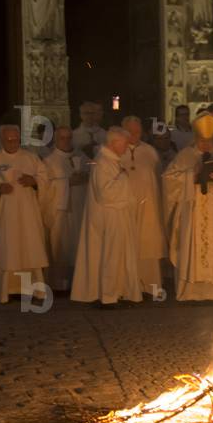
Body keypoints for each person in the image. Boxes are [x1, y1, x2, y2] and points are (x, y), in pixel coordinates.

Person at [163, 113, 213, 302]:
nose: (206, 144)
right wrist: (192, 176)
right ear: (196, 138)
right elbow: (168, 179)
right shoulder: (185, 155)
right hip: (193, 210)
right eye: (202, 140)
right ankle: (190, 293)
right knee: (192, 247)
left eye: (209, 140)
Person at [0, 124, 50, 303]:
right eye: (8, 140)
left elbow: (45, 180)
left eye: (15, 140)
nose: (12, 143)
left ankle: (32, 290)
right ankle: (4, 290)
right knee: (6, 249)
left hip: (28, 214)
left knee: (29, 248)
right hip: (4, 215)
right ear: (1, 140)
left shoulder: (31, 159)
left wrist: (34, 181)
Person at [71, 127, 142, 305]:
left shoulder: (112, 161)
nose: (127, 146)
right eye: (125, 143)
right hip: (110, 216)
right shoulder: (103, 162)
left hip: (117, 214)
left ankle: (119, 290)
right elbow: (105, 194)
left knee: (118, 254)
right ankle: (108, 295)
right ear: (114, 143)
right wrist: (124, 178)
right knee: (111, 254)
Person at [121, 116, 167, 294]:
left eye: (137, 131)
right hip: (126, 207)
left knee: (148, 245)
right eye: (130, 131)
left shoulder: (150, 152)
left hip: (149, 208)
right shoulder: (118, 151)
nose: (134, 135)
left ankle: (149, 287)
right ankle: (128, 288)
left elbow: (158, 178)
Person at [41, 126, 89, 291]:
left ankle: (79, 282)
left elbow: (93, 173)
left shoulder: (81, 157)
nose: (66, 141)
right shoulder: (49, 161)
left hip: (80, 208)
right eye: (62, 138)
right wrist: (67, 183)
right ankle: (59, 285)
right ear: (56, 140)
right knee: (60, 246)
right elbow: (45, 186)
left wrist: (86, 176)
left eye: (69, 138)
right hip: (60, 211)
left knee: (79, 246)